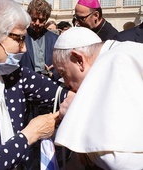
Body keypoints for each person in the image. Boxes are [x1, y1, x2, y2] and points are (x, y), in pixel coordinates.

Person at [0, 0, 73, 169]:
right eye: (19, 39)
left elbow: (59, 94)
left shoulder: (13, 75)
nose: (24, 49)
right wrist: (30, 134)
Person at [52, 27, 143, 170]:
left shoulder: (114, 63)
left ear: (79, 60)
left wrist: (75, 113)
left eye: (64, 73)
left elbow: (121, 162)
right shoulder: (126, 50)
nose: (67, 84)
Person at [20, 0, 59, 81]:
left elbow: (63, 65)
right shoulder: (20, 37)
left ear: (46, 19)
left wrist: (53, 73)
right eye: (34, 19)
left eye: (41, 20)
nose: (37, 23)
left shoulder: (55, 39)